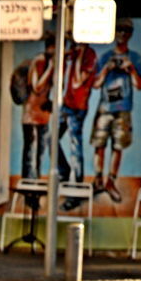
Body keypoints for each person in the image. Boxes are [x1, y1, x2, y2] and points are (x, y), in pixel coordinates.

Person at [90, 18, 141, 205]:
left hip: (123, 109)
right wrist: (107, 69)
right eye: (118, 30)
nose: (121, 35)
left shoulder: (135, 58)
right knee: (99, 144)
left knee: (118, 146)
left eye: (125, 31)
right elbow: (96, 84)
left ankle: (110, 181)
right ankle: (98, 179)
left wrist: (130, 70)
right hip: (105, 107)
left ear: (130, 34)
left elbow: (140, 85)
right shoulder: (105, 56)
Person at [58, 36, 98, 194]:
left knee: (75, 147)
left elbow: (77, 81)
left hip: (78, 107)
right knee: (51, 138)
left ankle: (77, 186)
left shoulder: (90, 55)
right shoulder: (73, 53)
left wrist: (80, 56)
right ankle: (64, 172)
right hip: (66, 104)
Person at [21, 34, 55, 182]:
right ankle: (30, 188)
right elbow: (37, 87)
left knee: (39, 154)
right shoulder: (40, 62)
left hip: (43, 116)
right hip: (32, 116)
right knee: (32, 155)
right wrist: (50, 69)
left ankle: (34, 185)